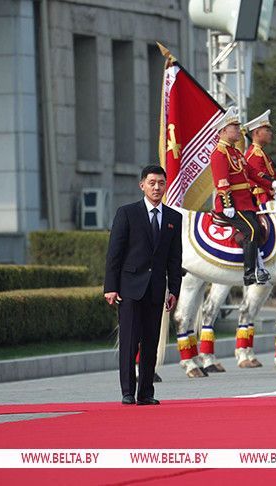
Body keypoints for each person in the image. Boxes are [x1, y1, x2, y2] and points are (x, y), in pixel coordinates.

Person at [104, 165, 183, 406]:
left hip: (157, 289)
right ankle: (128, 392)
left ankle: (146, 392)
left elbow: (174, 258)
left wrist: (174, 290)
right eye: (152, 183)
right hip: (129, 289)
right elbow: (114, 253)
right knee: (129, 342)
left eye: (161, 183)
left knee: (150, 342)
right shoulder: (127, 213)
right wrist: (110, 287)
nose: (157, 187)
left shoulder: (173, 218)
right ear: (142, 185)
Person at [211, 106, 276, 286]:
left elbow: (252, 172)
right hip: (232, 204)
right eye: (235, 127)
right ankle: (250, 273)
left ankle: (261, 267)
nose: (239, 130)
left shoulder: (235, 152)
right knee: (251, 230)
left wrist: (272, 183)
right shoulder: (219, 153)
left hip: (245, 202)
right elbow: (222, 182)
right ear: (223, 131)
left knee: (260, 228)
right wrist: (227, 204)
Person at [244, 109, 276, 205]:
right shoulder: (254, 154)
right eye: (267, 130)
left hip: (268, 194)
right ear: (257, 132)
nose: (270, 133)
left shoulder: (261, 152)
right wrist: (272, 189)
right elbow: (259, 178)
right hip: (261, 198)